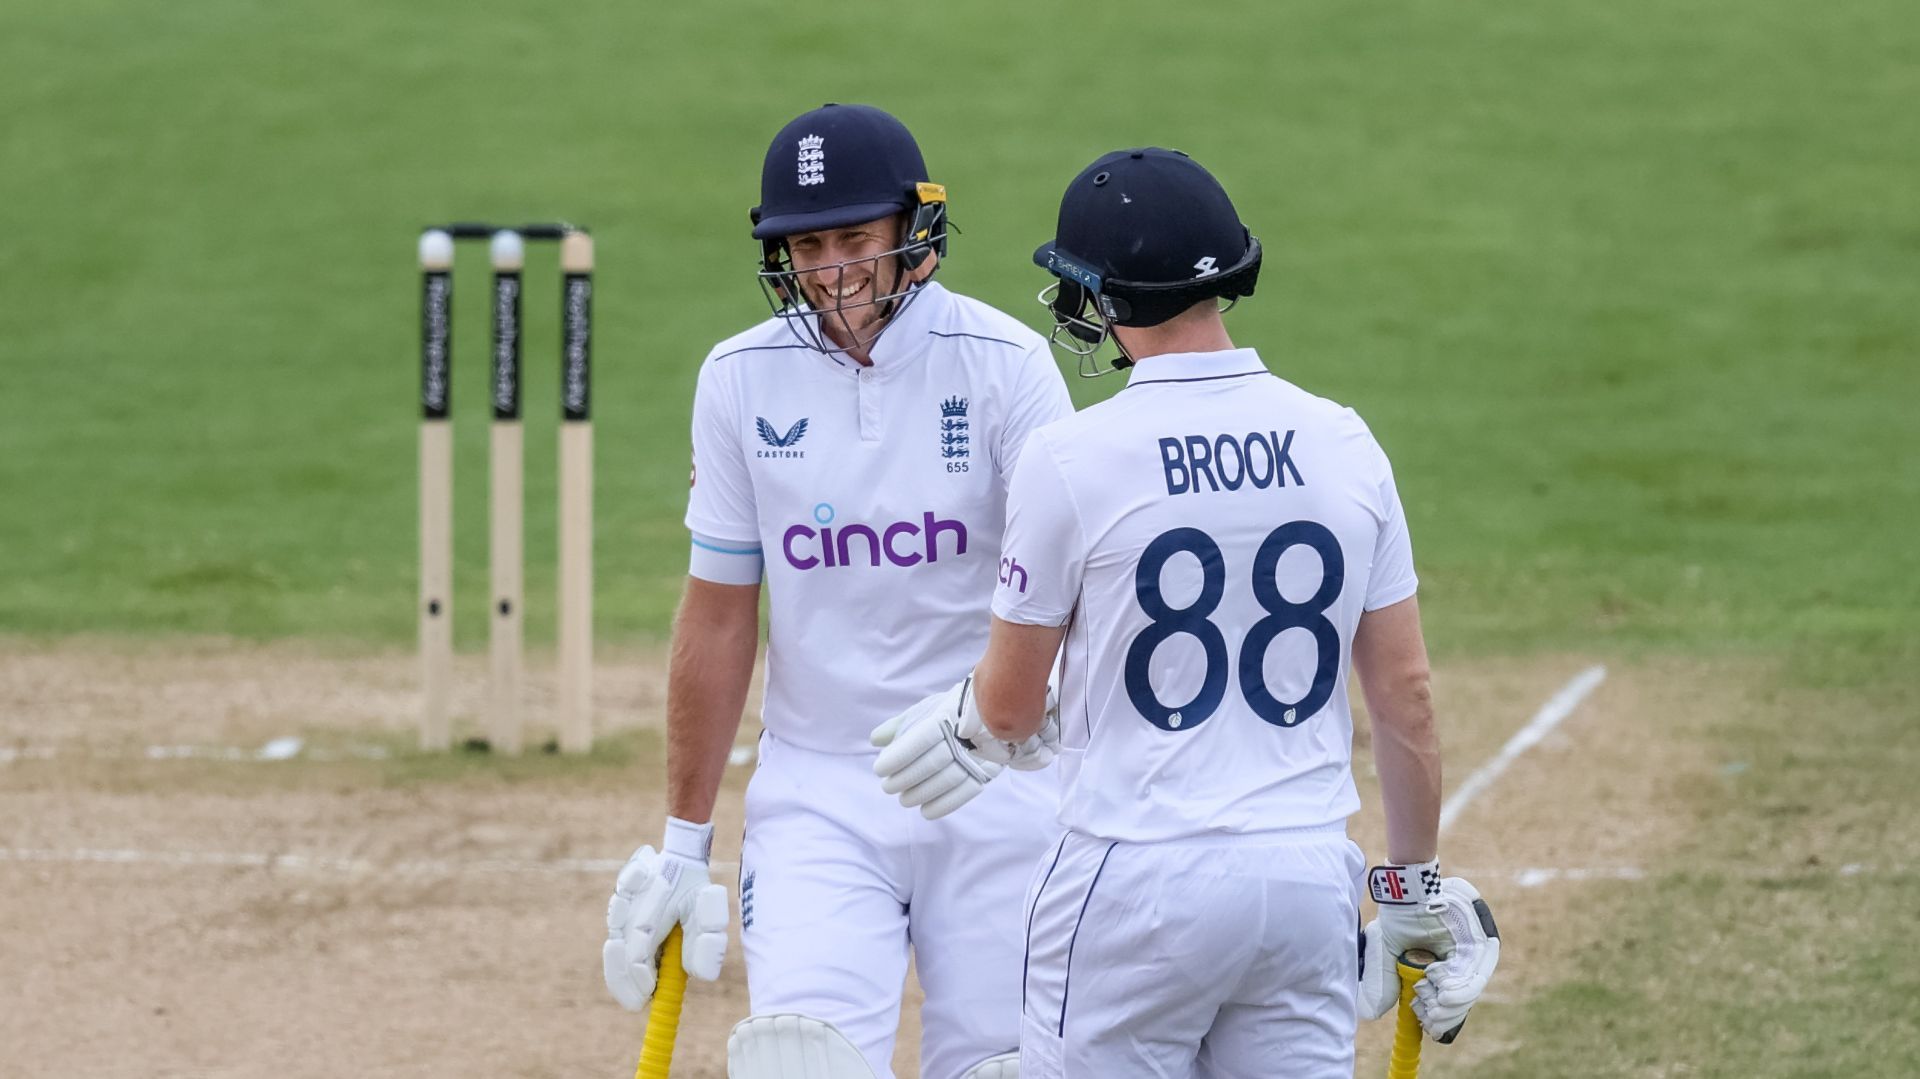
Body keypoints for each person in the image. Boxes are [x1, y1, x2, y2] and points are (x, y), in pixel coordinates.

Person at [869, 148, 1501, 1077]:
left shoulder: (1072, 457)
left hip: (1133, 879)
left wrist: (973, 715)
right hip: (1303, 877)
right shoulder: (1344, 440)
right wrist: (1407, 891)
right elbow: (1406, 693)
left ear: (1105, 298)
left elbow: (1006, 710)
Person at [601, 102, 1074, 1079]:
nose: (831, 270)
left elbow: (1068, 585)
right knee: (797, 1061)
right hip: (818, 791)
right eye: (806, 245)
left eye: (855, 238)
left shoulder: (1008, 367)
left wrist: (1005, 721)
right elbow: (721, 613)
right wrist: (686, 839)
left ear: (915, 232)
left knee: (1007, 1066)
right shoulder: (738, 379)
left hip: (996, 778)